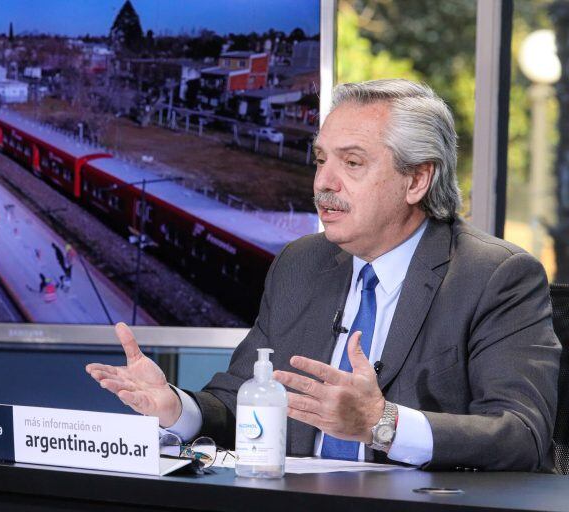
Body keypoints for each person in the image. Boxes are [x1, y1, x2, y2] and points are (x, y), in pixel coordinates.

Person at [86, 79, 560, 472]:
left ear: (417, 180)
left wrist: (381, 422)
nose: (323, 183)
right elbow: (239, 405)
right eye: (320, 160)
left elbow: (521, 435)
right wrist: (175, 408)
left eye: (351, 163)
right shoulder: (301, 263)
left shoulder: (496, 277)